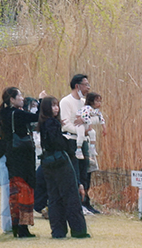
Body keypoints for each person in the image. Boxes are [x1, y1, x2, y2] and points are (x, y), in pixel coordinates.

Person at [38, 97, 90, 239]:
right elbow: (58, 143)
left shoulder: (42, 123)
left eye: (56, 105)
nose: (56, 108)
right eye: (53, 105)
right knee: (70, 195)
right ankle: (78, 230)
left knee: (54, 197)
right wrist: (68, 145)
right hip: (60, 161)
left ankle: (58, 231)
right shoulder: (52, 123)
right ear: (47, 108)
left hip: (47, 162)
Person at [0, 86, 41, 238]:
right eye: (20, 96)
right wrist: (40, 101)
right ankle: (23, 228)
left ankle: (16, 226)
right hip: (23, 156)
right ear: (12, 99)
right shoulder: (18, 114)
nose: (22, 98)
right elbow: (36, 117)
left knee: (15, 192)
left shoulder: (3, 113)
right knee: (25, 190)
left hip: (12, 156)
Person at [59, 74, 89, 208]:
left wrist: (86, 127)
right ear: (78, 86)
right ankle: (76, 203)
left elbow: (88, 121)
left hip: (84, 140)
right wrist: (80, 130)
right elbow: (65, 125)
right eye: (85, 85)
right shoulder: (66, 102)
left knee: (85, 171)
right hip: (71, 140)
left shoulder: (83, 103)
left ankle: (86, 202)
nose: (88, 88)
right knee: (75, 172)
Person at [78, 92, 105, 214]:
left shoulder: (95, 113)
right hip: (83, 147)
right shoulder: (85, 110)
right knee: (83, 177)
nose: (99, 104)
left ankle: (86, 202)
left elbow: (99, 119)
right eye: (97, 101)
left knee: (88, 176)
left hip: (89, 148)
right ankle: (82, 203)